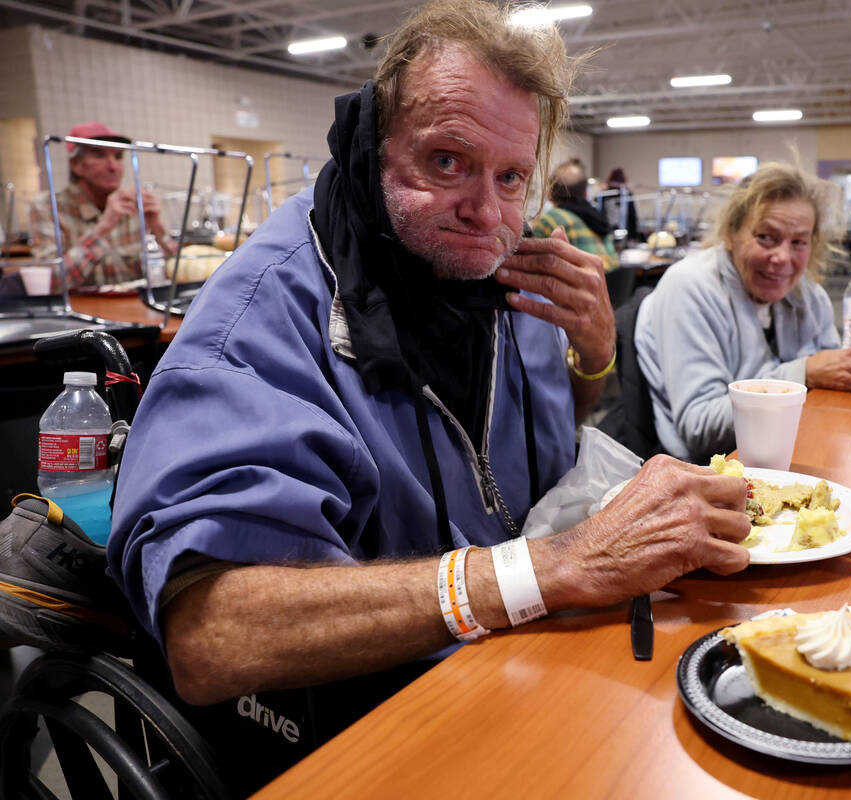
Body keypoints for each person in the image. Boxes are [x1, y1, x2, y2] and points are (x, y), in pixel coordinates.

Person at [108, 0, 749, 783]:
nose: (487, 212)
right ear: (371, 149)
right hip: (366, 732)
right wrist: (541, 570)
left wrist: (593, 361)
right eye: (447, 161)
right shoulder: (259, 324)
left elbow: (537, 458)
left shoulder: (506, 281)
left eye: (511, 176)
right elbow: (212, 634)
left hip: (519, 668)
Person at [633, 162, 851, 461]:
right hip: (712, 471)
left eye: (798, 242)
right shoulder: (690, 287)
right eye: (765, 237)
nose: (782, 258)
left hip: (791, 450)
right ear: (731, 234)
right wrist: (803, 374)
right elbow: (700, 430)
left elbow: (830, 391)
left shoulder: (809, 296)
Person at [29, 121, 175, 291]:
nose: (113, 166)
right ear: (76, 165)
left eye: (118, 157)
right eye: (99, 155)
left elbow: (177, 273)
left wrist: (158, 230)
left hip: (135, 310)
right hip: (79, 314)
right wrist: (102, 230)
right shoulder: (48, 207)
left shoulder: (136, 206)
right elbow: (49, 283)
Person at [529, 159, 619, 270]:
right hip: (609, 285)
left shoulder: (549, 220)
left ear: (550, 193)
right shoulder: (599, 220)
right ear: (585, 194)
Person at [602, 167, 641, 243]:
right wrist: (633, 236)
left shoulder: (604, 194)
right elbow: (633, 217)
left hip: (608, 231)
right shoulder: (626, 194)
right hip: (622, 231)